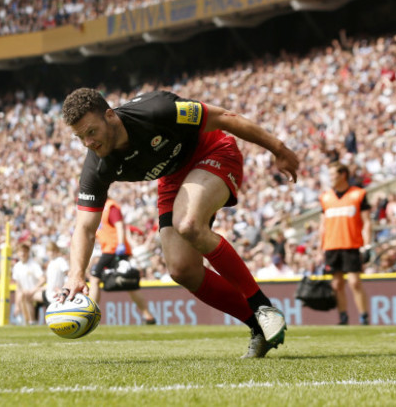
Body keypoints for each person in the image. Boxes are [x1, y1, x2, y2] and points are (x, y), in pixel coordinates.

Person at [60, 88, 299, 358]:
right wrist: (75, 274)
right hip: (173, 177)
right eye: (80, 137)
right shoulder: (96, 167)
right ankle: (258, 326)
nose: (87, 143)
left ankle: (262, 306)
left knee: (188, 224)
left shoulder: (156, 110)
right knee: (182, 269)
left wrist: (278, 148)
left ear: (110, 116)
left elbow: (223, 117)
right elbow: (85, 228)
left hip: (214, 151)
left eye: (91, 132)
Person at [319, 162, 371, 325]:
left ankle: (364, 317)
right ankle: (343, 317)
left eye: (333, 174)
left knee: (355, 282)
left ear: (343, 175)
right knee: (336, 284)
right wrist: (320, 248)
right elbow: (323, 225)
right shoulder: (325, 197)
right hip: (331, 245)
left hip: (352, 244)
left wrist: (367, 245)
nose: (331, 178)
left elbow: (367, 222)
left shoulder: (359, 194)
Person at [90, 198, 156, 325]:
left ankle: (91, 315)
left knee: (94, 278)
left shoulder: (110, 207)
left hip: (114, 249)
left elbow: (119, 225)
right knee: (130, 285)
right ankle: (148, 316)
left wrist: (121, 244)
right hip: (110, 249)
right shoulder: (99, 208)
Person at [12, 244, 44, 325]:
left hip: (36, 292)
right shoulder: (16, 267)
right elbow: (18, 287)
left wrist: (33, 290)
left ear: (28, 253)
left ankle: (31, 321)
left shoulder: (34, 264)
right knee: (23, 294)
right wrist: (17, 305)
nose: (22, 254)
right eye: (20, 251)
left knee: (24, 294)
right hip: (26, 294)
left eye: (24, 251)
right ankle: (28, 321)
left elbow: (42, 279)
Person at [32, 241, 69, 306]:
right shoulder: (50, 263)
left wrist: (63, 289)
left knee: (29, 297)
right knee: (29, 297)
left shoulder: (60, 260)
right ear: (47, 252)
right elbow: (51, 281)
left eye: (53, 250)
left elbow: (69, 274)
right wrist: (43, 287)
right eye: (49, 250)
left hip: (56, 295)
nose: (51, 253)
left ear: (57, 251)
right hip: (49, 293)